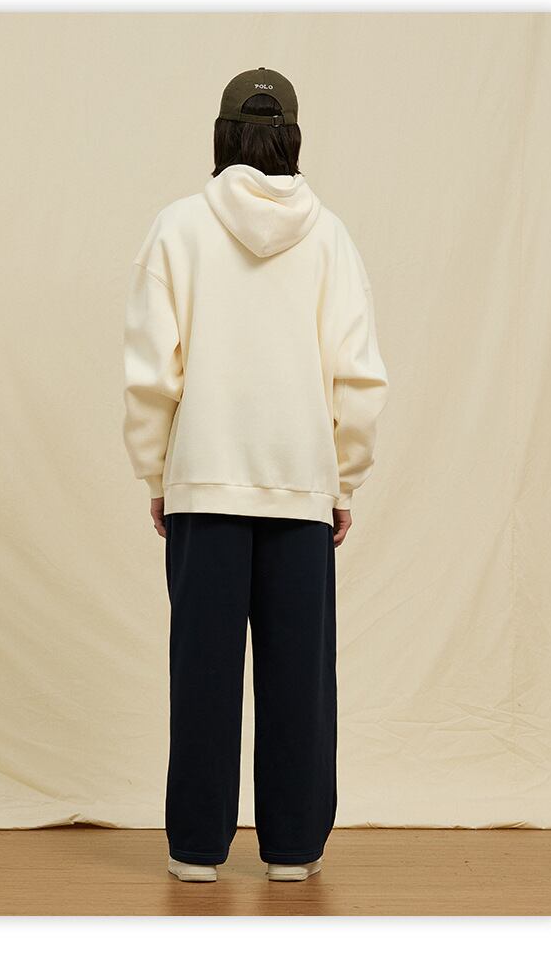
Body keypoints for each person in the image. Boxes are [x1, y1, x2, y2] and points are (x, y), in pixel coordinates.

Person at [122, 67, 389, 883]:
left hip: (205, 479)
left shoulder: (177, 227)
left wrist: (157, 472)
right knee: (299, 676)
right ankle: (293, 851)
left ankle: (196, 850)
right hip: (301, 483)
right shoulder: (330, 236)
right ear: (292, 137)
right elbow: (357, 375)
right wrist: (343, 479)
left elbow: (151, 372)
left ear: (223, 135)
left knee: (201, 671)